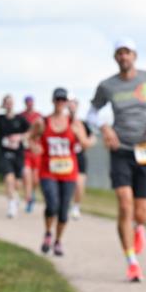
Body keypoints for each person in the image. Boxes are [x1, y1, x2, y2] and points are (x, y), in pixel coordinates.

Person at [87, 39, 146, 281]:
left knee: (141, 212)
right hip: (121, 149)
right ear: (115, 57)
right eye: (119, 53)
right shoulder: (107, 85)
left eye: (127, 52)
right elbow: (91, 113)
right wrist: (104, 128)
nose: (123, 57)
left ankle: (139, 227)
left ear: (135, 55)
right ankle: (131, 262)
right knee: (125, 204)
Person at [30, 88, 90, 256]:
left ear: (67, 103)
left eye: (63, 100)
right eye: (58, 99)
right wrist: (35, 147)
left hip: (69, 172)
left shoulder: (74, 123)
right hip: (48, 171)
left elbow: (85, 144)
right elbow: (30, 138)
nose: (60, 103)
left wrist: (80, 135)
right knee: (52, 204)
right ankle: (48, 233)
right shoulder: (42, 122)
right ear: (53, 101)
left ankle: (58, 241)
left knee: (63, 211)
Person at [0, 94, 31, 218]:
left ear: (14, 103)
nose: (9, 104)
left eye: (10, 102)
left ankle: (15, 196)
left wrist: (20, 137)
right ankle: (11, 206)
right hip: (4, 153)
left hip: (18, 154)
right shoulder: (1, 118)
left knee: (17, 183)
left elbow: (30, 131)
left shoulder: (20, 119)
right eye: (6, 102)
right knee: (9, 179)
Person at [68, 97, 97, 220]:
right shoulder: (62, 122)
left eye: (74, 104)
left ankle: (76, 207)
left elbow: (92, 139)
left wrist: (84, 140)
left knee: (79, 184)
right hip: (65, 158)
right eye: (70, 104)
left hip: (79, 157)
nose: (72, 107)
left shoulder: (83, 124)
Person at [20, 95, 43, 213]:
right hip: (25, 151)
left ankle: (32, 193)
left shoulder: (39, 116)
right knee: (26, 174)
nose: (30, 104)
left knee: (35, 179)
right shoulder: (21, 116)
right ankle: (29, 199)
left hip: (37, 152)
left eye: (31, 102)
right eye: (28, 103)